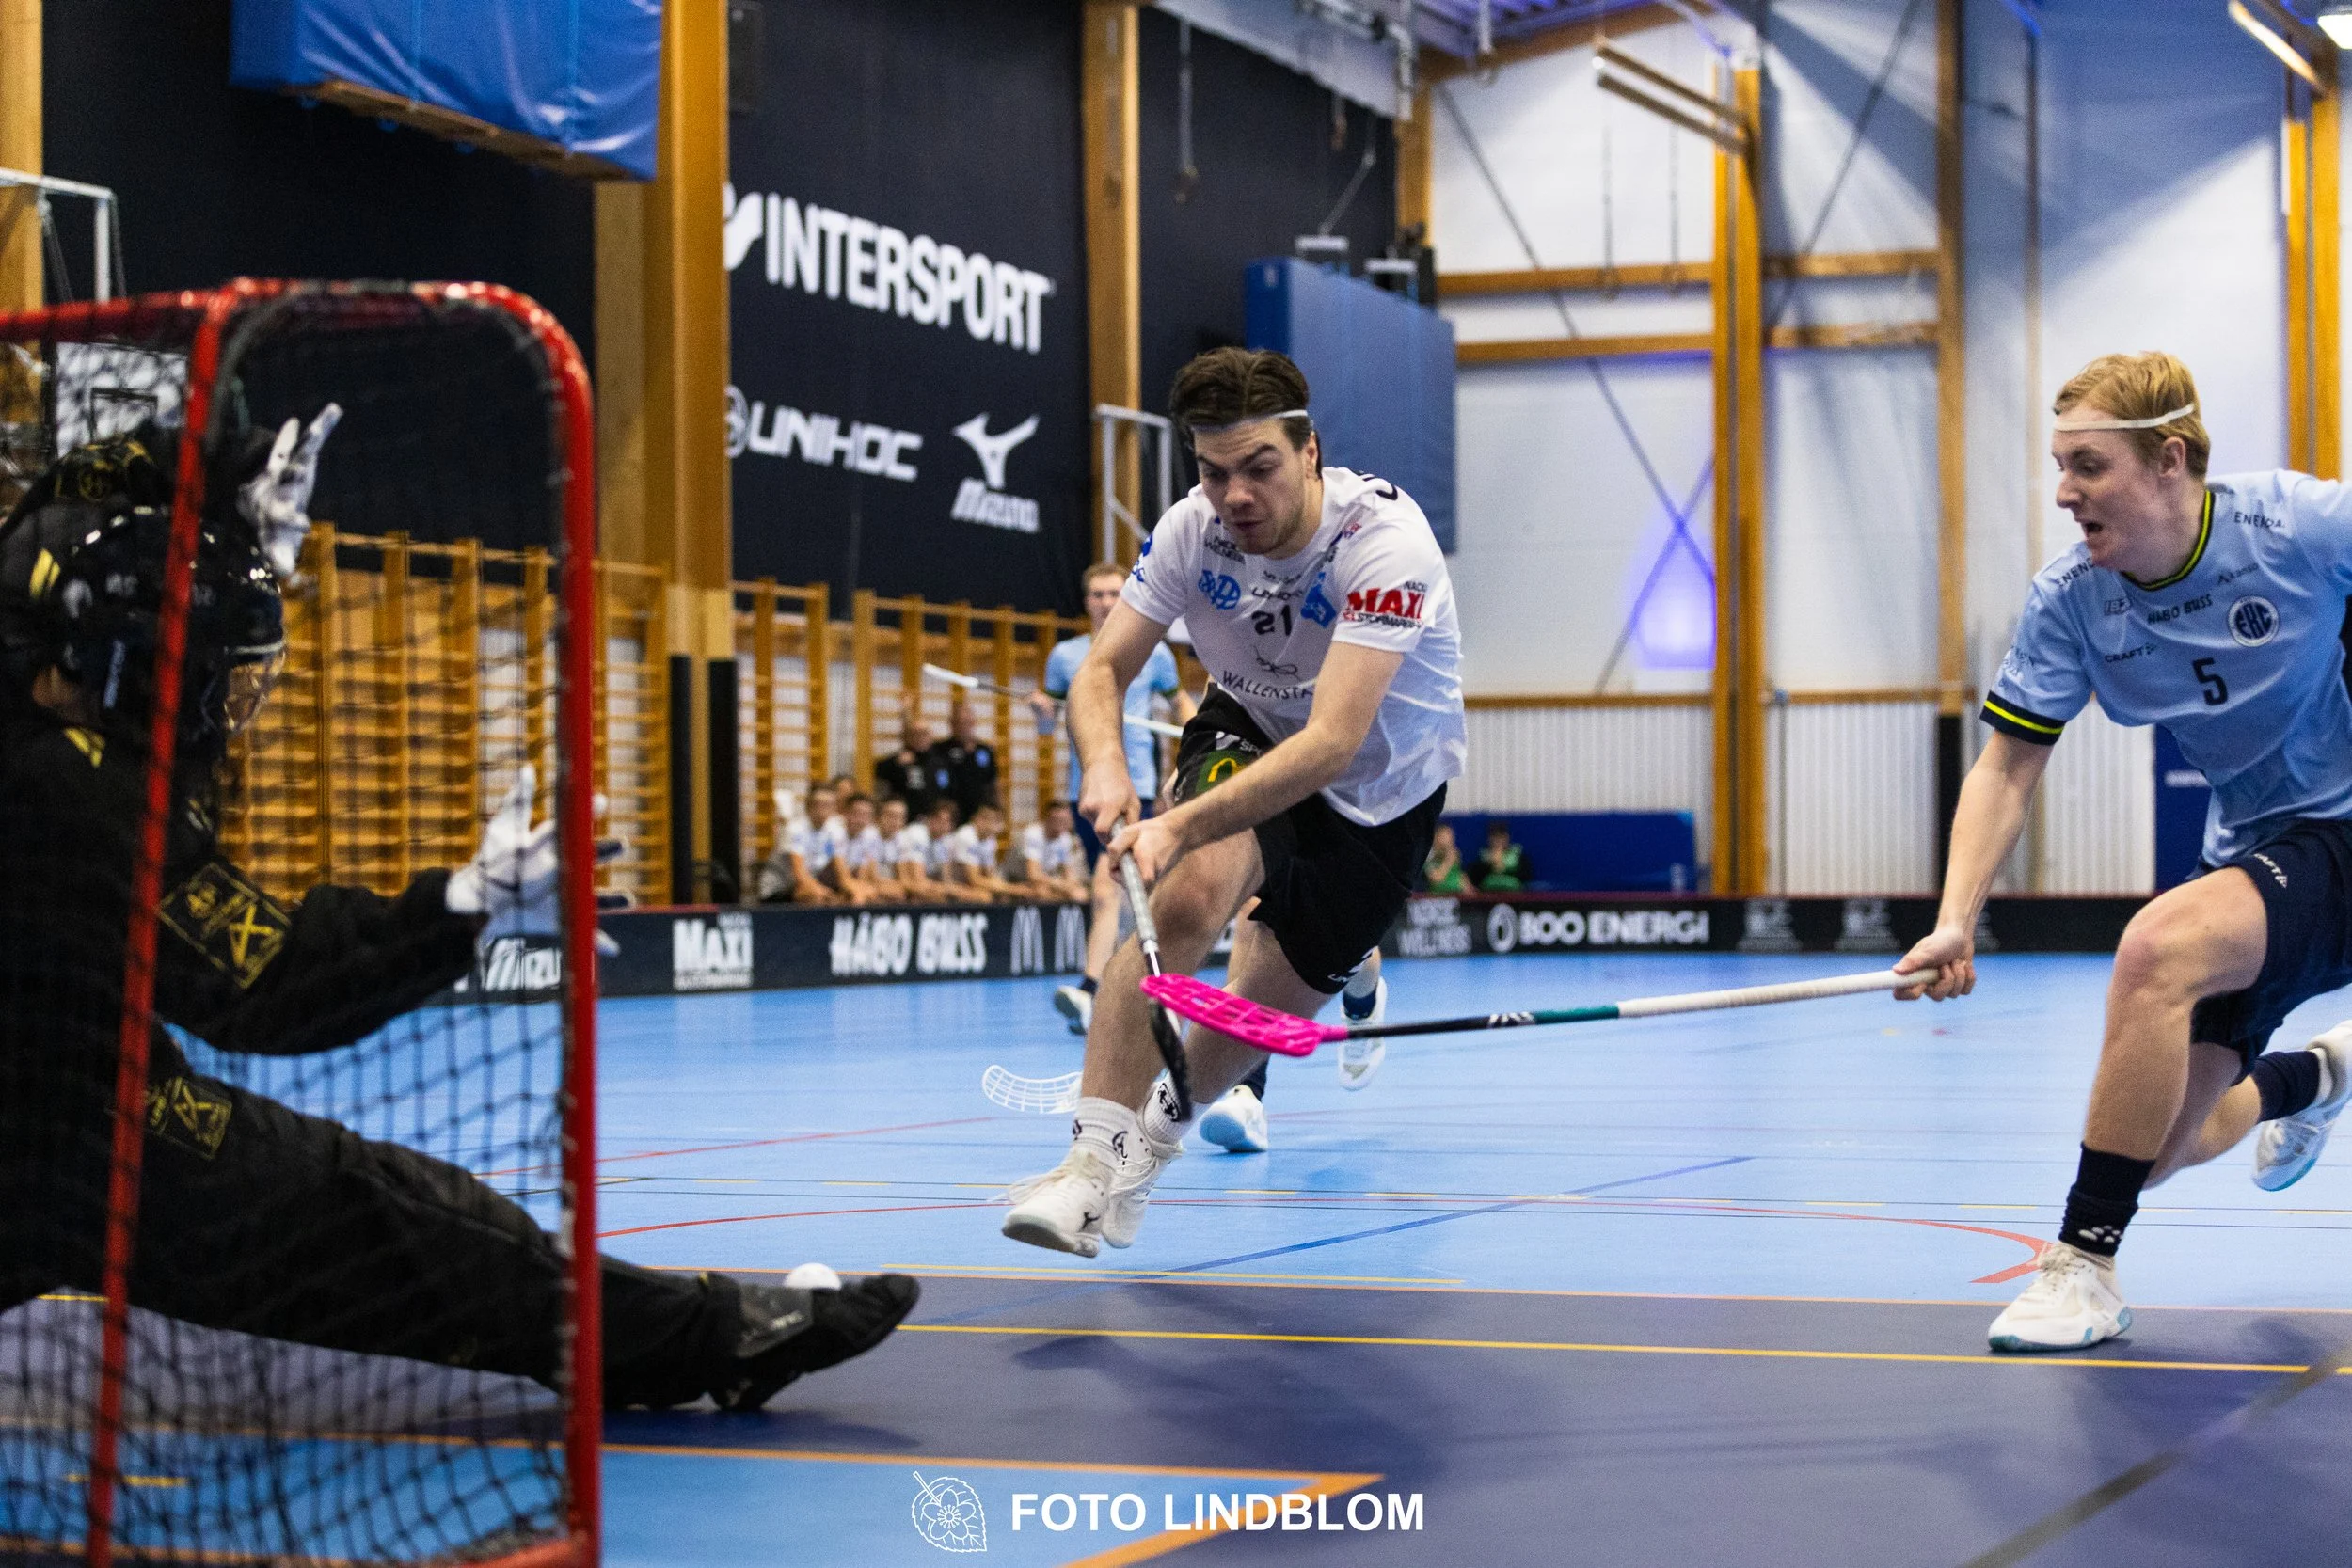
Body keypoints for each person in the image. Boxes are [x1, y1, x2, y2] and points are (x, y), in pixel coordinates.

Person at [0, 433, 915, 1412]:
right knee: (382, 1219)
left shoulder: (42, 681)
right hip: (67, 1130)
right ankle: (713, 1338)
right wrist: (460, 903)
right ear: (124, 672)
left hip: (47, 1094)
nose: (228, 718)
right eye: (215, 683)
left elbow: (46, 530)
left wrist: (218, 512)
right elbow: (266, 984)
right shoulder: (69, 794)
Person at [1897, 351, 2352, 1354]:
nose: (2063, 491)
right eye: (2059, 465)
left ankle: (2080, 1266)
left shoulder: (2301, 526)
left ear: (2169, 461)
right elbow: (2005, 767)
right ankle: (2312, 1078)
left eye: (2087, 466)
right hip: (2254, 841)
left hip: (2345, 825)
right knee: (2150, 1145)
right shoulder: (2073, 599)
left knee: (2157, 948)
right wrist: (1952, 918)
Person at [1003, 345, 1463, 1256]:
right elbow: (1102, 669)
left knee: (1262, 1009)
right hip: (1247, 722)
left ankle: (1141, 1162)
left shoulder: (1384, 545)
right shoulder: (1188, 531)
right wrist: (1102, 762)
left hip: (1380, 784)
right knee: (1182, 894)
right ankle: (1086, 1166)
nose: (1235, 495)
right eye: (1215, 473)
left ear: (1309, 452)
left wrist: (1171, 817)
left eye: (1258, 467)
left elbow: (1330, 743)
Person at [1033, 562, 1196, 1036]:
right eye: (1097, 594)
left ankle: (1090, 989)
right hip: (1085, 790)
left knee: (1110, 889)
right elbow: (1049, 727)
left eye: (1113, 593)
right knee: (1120, 893)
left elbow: (1178, 702)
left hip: (1136, 787)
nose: (1106, 602)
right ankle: (1133, 989)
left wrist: (1198, 731)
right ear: (1086, 601)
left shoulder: (1155, 653)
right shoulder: (1065, 657)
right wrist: (1044, 711)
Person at [756, 783, 845, 904]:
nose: (822, 810)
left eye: (827, 805)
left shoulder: (835, 831)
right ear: (808, 806)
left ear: (834, 808)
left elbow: (841, 869)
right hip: (779, 888)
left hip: (810, 884)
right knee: (815, 896)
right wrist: (825, 893)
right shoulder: (794, 829)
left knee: (848, 895)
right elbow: (799, 874)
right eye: (817, 804)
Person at [923, 699, 1000, 822]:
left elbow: (992, 783)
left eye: (967, 722)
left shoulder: (985, 750)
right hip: (949, 815)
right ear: (951, 724)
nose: (964, 726)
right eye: (959, 722)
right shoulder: (939, 749)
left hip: (978, 814)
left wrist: (997, 809)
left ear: (974, 723)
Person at [1014, 800, 1089, 902]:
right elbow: (1033, 875)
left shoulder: (1065, 838)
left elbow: (1066, 870)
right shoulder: (1033, 834)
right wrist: (1059, 884)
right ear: (1047, 818)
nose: (1061, 824)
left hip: (1046, 880)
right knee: (1042, 892)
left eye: (1064, 820)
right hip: (1017, 880)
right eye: (1057, 820)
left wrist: (1071, 884)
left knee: (1079, 893)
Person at [948, 800, 1023, 903]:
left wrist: (1005, 888)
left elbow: (989, 873)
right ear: (980, 820)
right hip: (952, 884)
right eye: (996, 820)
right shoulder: (966, 836)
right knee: (984, 897)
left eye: (999, 821)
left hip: (967, 884)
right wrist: (1014, 889)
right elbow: (974, 879)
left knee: (1003, 895)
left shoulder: (990, 840)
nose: (999, 826)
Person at [916, 799, 989, 905]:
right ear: (929, 819)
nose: (943, 825)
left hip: (935, 885)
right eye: (939, 820)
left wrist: (955, 890)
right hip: (916, 885)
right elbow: (917, 882)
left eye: (948, 822)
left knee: (981, 896)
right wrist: (953, 890)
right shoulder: (918, 834)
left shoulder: (946, 840)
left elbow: (946, 878)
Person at [835, 792, 893, 904]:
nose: (861, 820)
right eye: (857, 814)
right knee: (859, 895)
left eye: (866, 815)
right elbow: (843, 878)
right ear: (845, 813)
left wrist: (869, 889)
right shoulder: (834, 833)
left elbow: (866, 874)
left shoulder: (869, 836)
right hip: (827, 881)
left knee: (888, 893)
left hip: (849, 881)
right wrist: (862, 890)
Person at [875, 717, 936, 814]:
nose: (920, 738)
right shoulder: (898, 760)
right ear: (908, 737)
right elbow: (877, 772)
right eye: (915, 734)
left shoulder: (939, 760)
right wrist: (896, 764)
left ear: (931, 736)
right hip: (904, 818)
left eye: (924, 733)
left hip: (933, 818)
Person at [1475, 819, 1526, 891]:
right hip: (1488, 894)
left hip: (1514, 894)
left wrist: (1504, 868)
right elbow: (1475, 879)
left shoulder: (1518, 854)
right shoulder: (1482, 856)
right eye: (1495, 837)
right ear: (1489, 839)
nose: (1498, 840)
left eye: (1501, 836)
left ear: (1507, 837)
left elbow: (1526, 876)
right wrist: (1491, 865)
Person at [1422, 821, 1467, 893]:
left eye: (1451, 837)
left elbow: (1459, 875)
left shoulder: (1453, 854)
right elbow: (1436, 879)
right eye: (1444, 837)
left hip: (1458, 895)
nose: (1449, 842)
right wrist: (1448, 860)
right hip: (1440, 898)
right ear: (1436, 837)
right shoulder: (1429, 856)